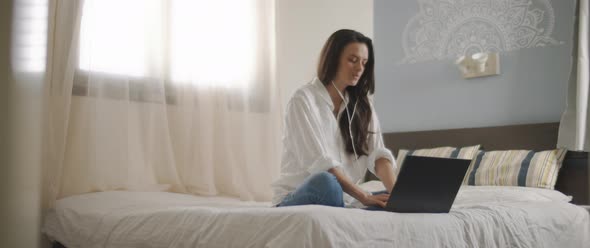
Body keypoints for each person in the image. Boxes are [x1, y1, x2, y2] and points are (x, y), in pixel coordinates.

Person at [272, 29, 397, 208]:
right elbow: (321, 164)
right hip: (299, 196)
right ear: (333, 58)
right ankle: (349, 209)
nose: (360, 68)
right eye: (352, 60)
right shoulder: (303, 100)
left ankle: (351, 209)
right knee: (327, 182)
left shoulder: (363, 106)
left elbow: (379, 155)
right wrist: (363, 196)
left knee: (387, 199)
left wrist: (396, 194)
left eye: (364, 62)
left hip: (346, 199)